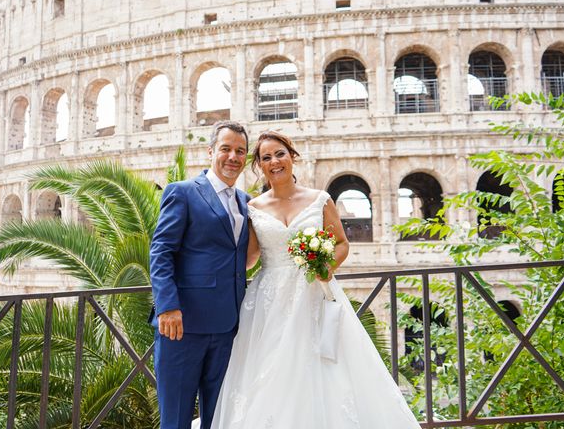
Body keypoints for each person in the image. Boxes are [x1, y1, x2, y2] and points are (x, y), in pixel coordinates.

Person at [209, 131, 421, 428]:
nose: (274, 162)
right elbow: (252, 256)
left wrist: (327, 265)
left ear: (292, 157)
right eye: (266, 158)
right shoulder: (253, 207)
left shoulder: (320, 200)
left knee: (323, 369)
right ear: (259, 166)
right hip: (269, 302)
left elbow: (342, 243)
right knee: (270, 373)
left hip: (314, 293)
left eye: (279, 154)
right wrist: (213, 274)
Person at [149, 121, 250, 429]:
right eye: (226, 149)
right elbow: (161, 251)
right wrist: (167, 306)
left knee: (218, 418)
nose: (233, 156)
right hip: (182, 325)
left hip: (228, 326)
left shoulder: (245, 202)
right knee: (177, 417)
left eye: (240, 151)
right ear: (210, 152)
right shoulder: (183, 192)